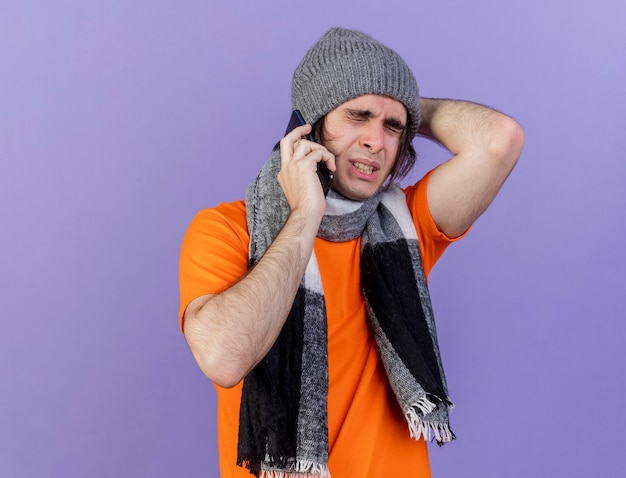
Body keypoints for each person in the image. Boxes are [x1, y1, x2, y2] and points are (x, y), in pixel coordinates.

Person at [179, 27, 524, 478]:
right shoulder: (227, 230)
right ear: (309, 124)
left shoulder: (402, 229)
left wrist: (403, 99)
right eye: (357, 116)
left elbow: (500, 139)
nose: (375, 141)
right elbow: (224, 358)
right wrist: (304, 213)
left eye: (394, 127)